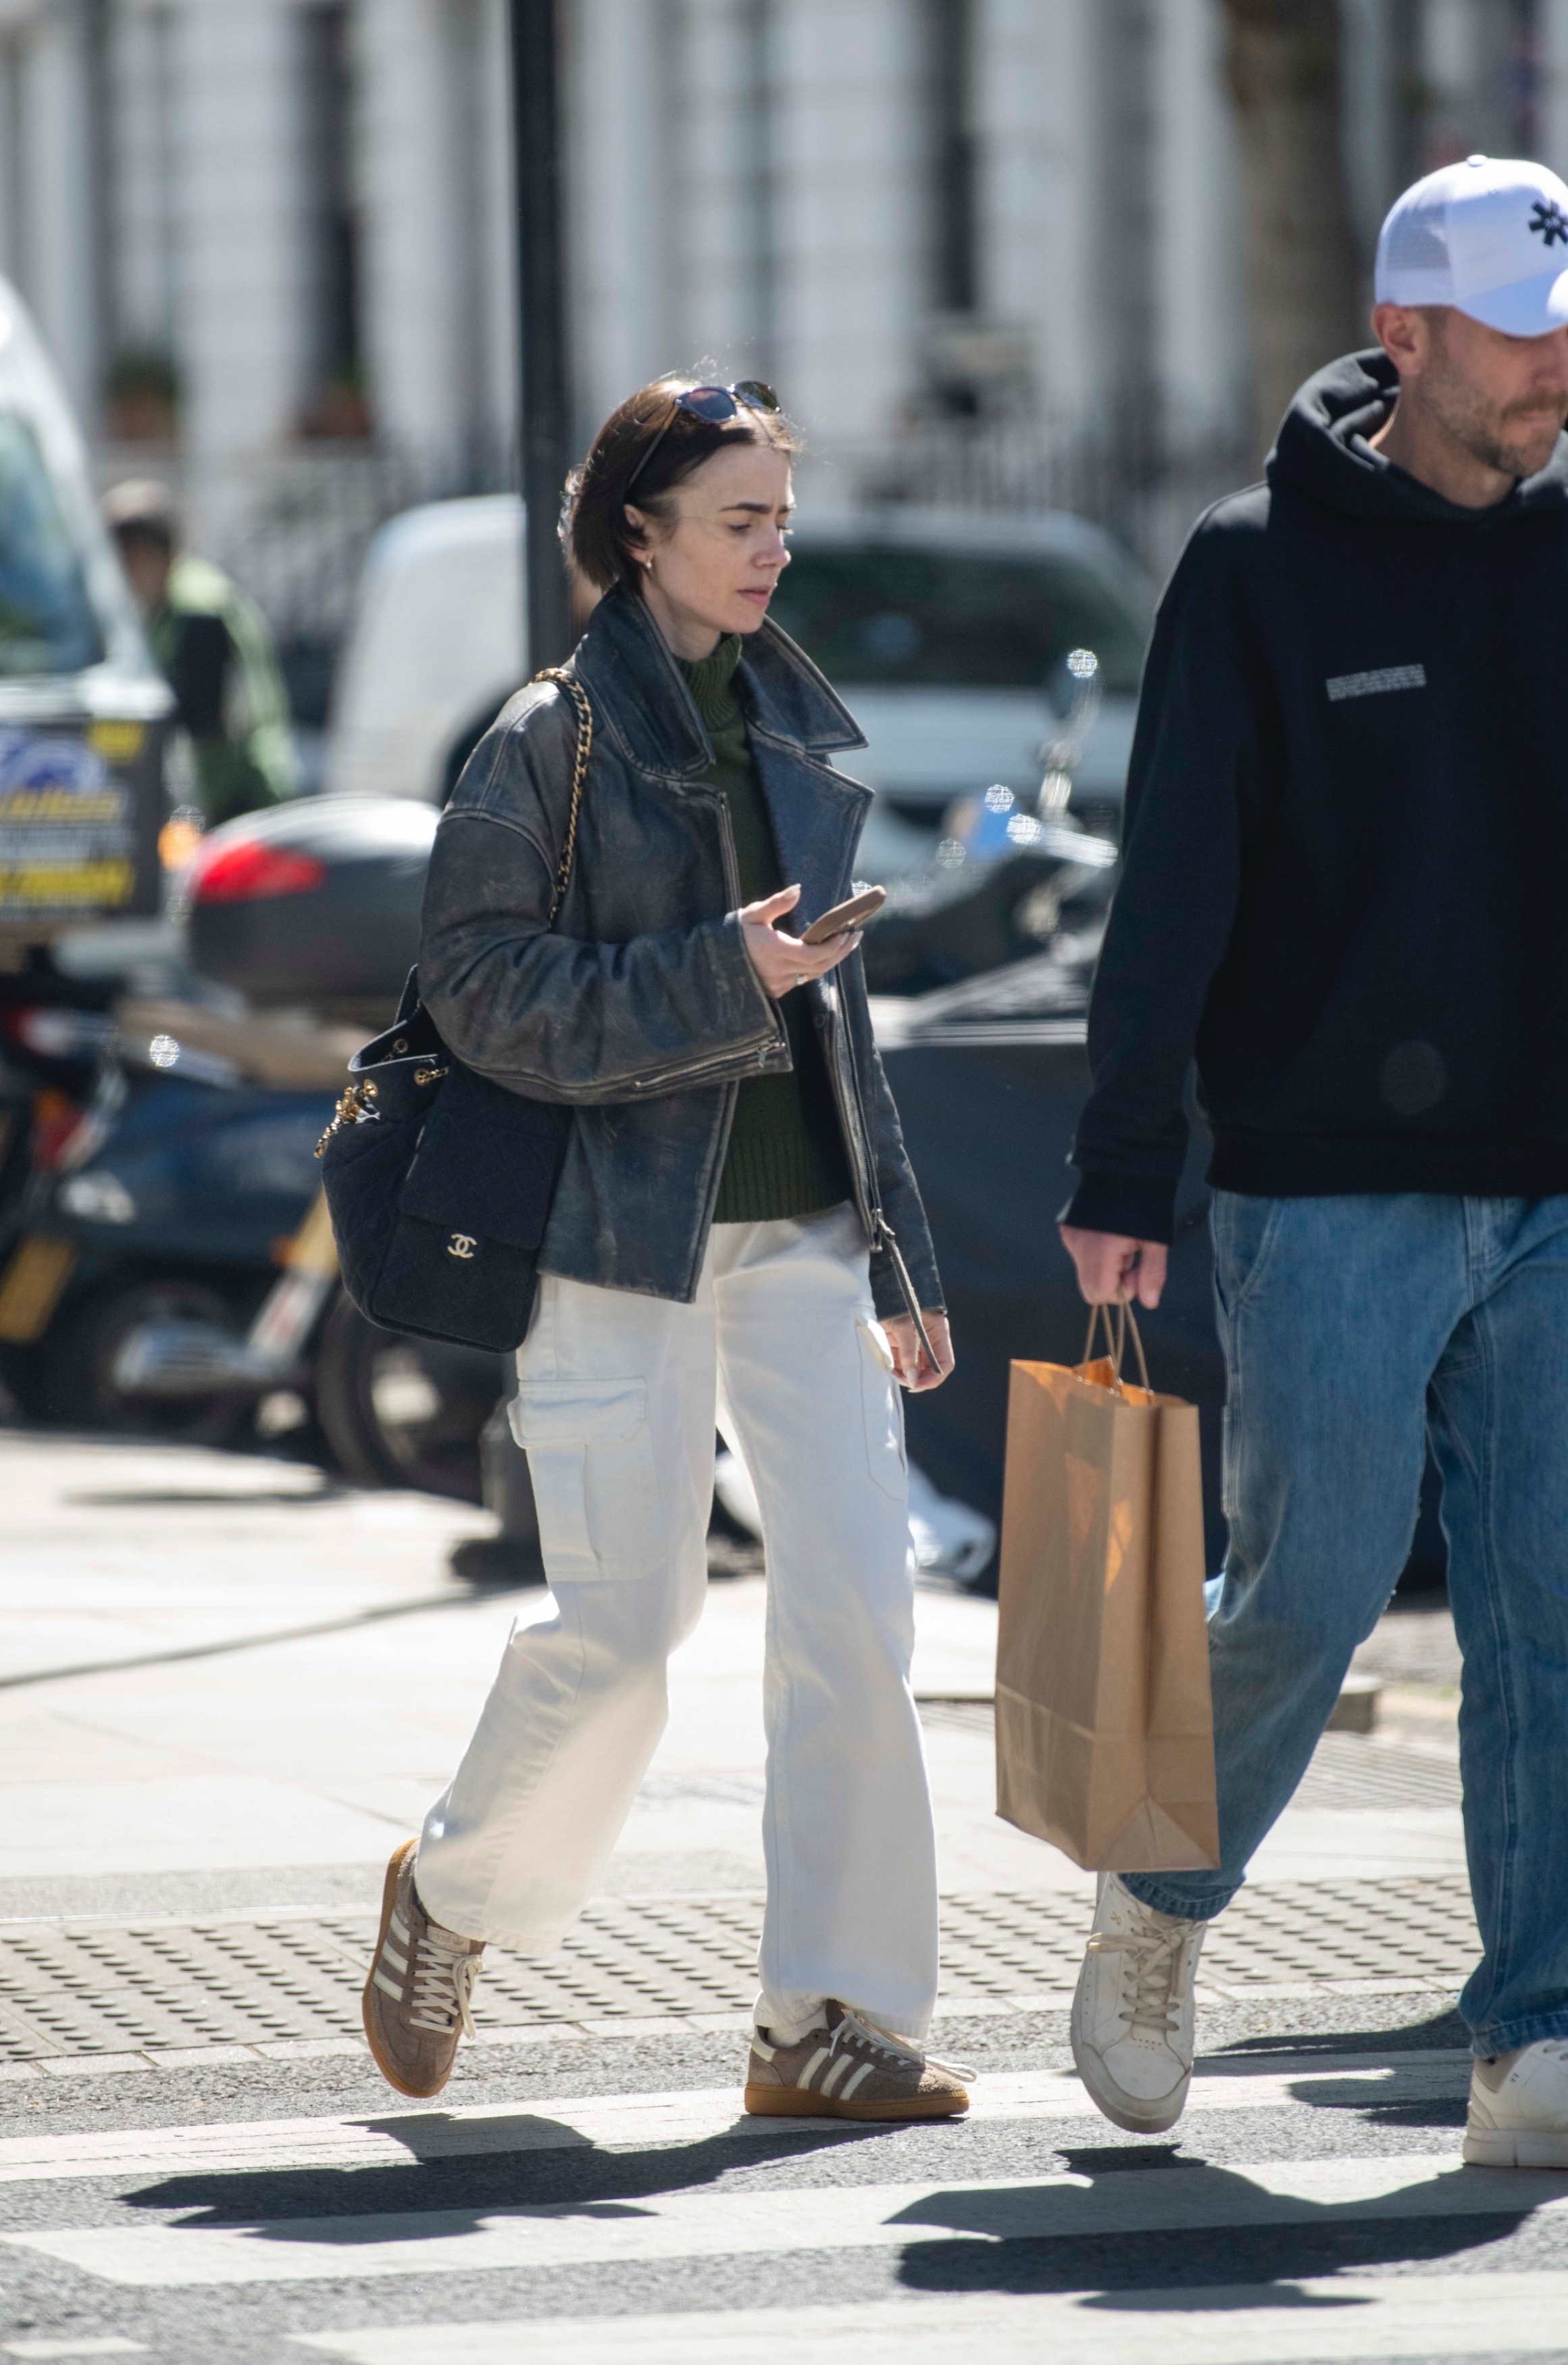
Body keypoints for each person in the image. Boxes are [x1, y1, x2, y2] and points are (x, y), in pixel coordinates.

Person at [359, 376, 970, 2122]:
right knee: (628, 1630)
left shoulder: (788, 725)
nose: (773, 548)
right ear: (639, 532)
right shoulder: (538, 740)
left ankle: (829, 2019)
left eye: (782, 514)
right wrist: (723, 973)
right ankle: (452, 1889)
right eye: (738, 518)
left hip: (803, 1240)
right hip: (614, 1239)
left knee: (857, 1608)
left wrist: (903, 1258)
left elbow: (839, 1033)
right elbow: (478, 992)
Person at [1057, 155, 1568, 2166]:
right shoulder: (1251, 565)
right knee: (1307, 1590)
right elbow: (1166, 884)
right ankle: (1155, 1902)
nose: (1549, 373)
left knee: (1544, 1608)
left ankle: (1529, 2024)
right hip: (1318, 1181)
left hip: (1553, 1174)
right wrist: (1113, 1167)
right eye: (1518, 338)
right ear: (1407, 336)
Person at [102, 479, 298, 824]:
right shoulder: (178, 598)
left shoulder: (197, 610)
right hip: (225, 791)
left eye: (126, 561)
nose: (120, 577)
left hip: (239, 797)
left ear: (152, 555)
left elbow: (200, 717)